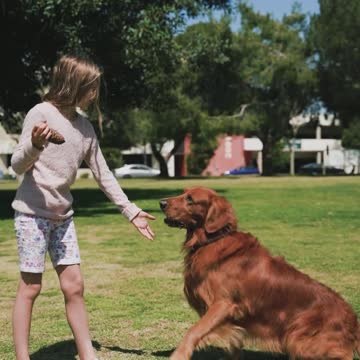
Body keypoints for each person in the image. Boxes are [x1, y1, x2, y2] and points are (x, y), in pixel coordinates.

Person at [11, 55, 155, 360]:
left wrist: (131, 211)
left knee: (74, 286)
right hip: (32, 216)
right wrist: (35, 145)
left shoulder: (85, 128)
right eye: (92, 88)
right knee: (31, 287)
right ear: (74, 85)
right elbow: (17, 166)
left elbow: (104, 174)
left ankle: (87, 353)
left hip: (63, 217)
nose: (95, 95)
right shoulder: (40, 113)